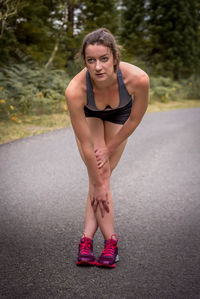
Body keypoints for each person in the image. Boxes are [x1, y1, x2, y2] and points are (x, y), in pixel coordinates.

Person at [65, 28, 149, 268]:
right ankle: (110, 242)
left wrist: (111, 146)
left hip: (120, 115)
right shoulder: (75, 90)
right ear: (85, 62)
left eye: (104, 59)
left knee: (102, 175)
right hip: (89, 113)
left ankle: (86, 242)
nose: (98, 66)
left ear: (115, 57)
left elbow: (134, 119)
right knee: (100, 177)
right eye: (91, 60)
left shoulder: (138, 79)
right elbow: (84, 142)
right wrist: (99, 184)